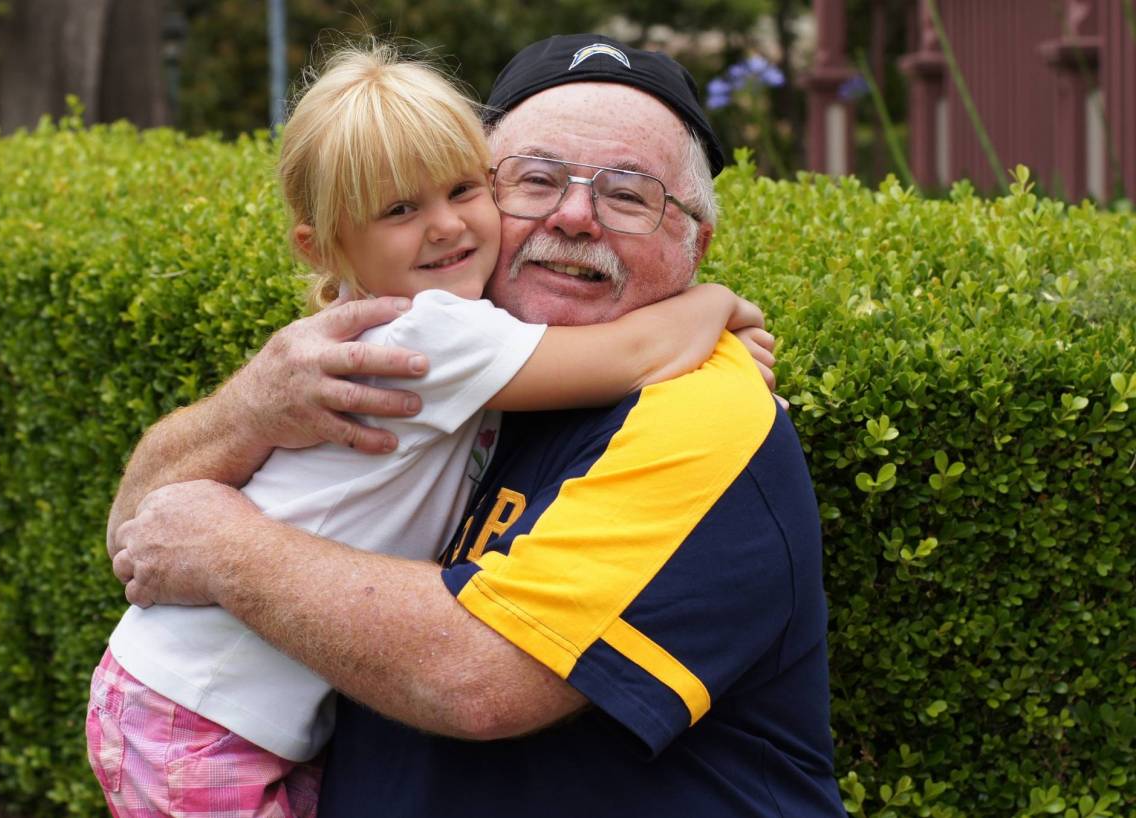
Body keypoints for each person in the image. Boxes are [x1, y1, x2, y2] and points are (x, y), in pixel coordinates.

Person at [108, 34, 844, 817]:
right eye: (533, 180)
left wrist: (224, 548)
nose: (575, 215)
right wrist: (244, 407)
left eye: (629, 195)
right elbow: (137, 529)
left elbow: (479, 681)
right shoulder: (429, 358)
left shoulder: (697, 413)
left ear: (697, 242)